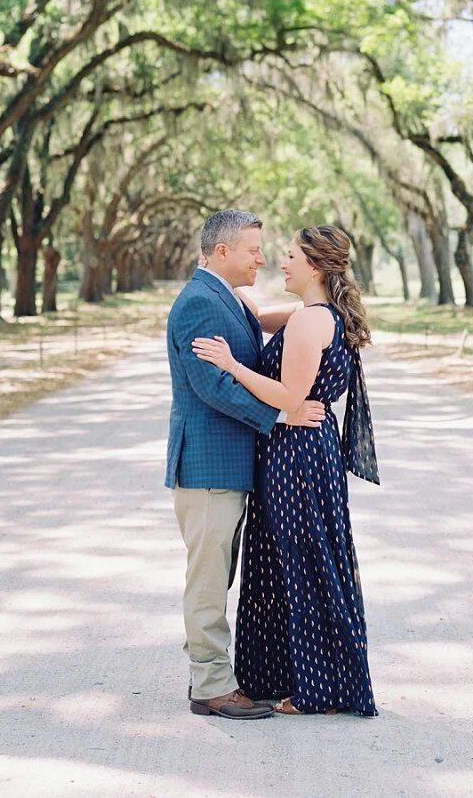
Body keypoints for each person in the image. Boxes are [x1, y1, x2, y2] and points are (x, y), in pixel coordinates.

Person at [192, 225, 380, 717]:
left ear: (315, 267)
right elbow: (251, 310)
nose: (280, 261)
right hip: (301, 450)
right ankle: (296, 677)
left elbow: (289, 398)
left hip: (296, 452)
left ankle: (319, 689)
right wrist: (227, 267)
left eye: (291, 255)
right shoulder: (306, 314)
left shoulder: (309, 323)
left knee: (300, 563)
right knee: (290, 561)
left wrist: (232, 365)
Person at [165, 209, 326, 721]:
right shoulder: (197, 303)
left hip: (231, 467)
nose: (262, 257)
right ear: (221, 253)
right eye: (253, 249)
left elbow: (266, 332)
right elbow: (212, 387)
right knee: (209, 579)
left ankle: (215, 672)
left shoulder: (227, 298)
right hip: (207, 466)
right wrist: (284, 414)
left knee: (220, 574)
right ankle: (210, 686)